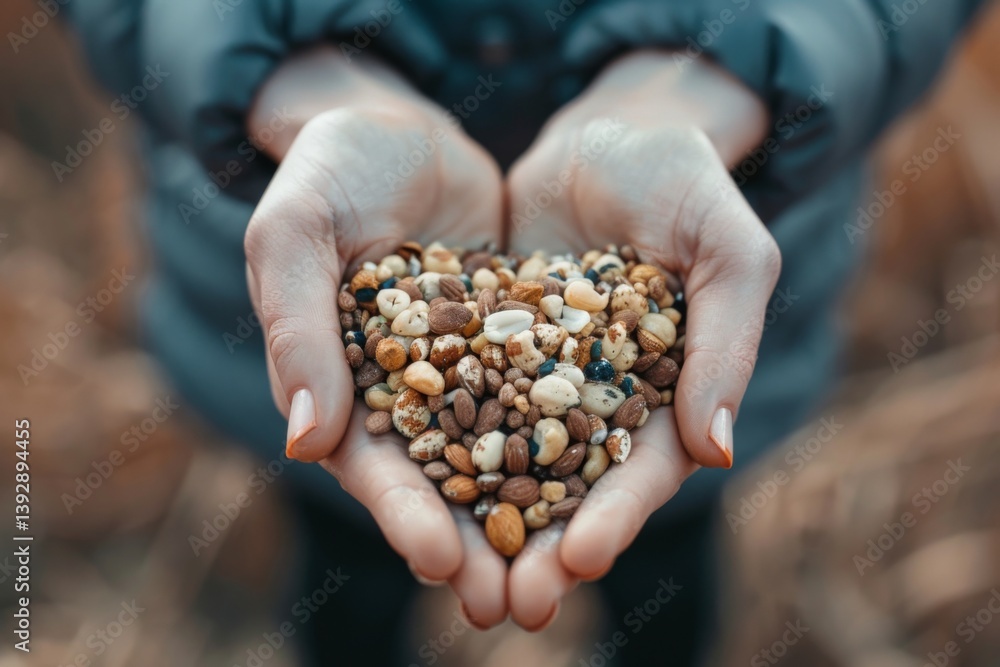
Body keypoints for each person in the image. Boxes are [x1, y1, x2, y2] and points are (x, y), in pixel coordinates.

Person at [65, 0, 985, 664]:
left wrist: (720, 72)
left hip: (717, 254)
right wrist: (281, 68)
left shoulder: (606, 358)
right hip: (277, 292)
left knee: (664, 556)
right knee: (344, 562)